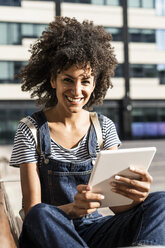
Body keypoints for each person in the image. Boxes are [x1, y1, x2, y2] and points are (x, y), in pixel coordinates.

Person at [10, 17, 165, 248]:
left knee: (161, 201)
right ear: (53, 80)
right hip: (51, 231)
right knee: (40, 213)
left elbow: (116, 206)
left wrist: (136, 196)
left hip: (93, 231)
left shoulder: (105, 128)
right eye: (67, 80)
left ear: (95, 84)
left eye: (85, 81)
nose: (77, 90)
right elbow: (32, 210)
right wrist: (73, 208)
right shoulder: (30, 130)